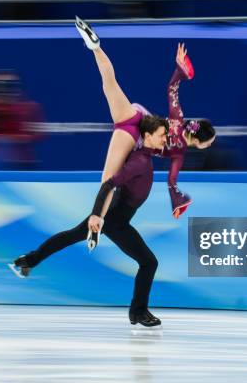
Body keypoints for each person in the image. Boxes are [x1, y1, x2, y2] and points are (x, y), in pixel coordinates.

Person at [9, 116, 169, 328]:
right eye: (162, 135)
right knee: (149, 262)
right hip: (115, 220)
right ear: (147, 136)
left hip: (116, 217)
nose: (165, 139)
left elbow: (172, 148)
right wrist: (96, 215)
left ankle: (29, 260)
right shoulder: (138, 162)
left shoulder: (146, 155)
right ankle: (138, 312)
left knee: (70, 236)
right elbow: (108, 185)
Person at [74, 17, 216, 223]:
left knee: (110, 84)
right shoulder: (179, 153)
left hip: (137, 115)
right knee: (107, 182)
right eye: (209, 143)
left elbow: (172, 88)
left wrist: (179, 71)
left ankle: (95, 46)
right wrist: (178, 201)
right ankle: (94, 225)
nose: (209, 146)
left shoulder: (178, 119)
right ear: (200, 142)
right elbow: (171, 181)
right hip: (133, 136)